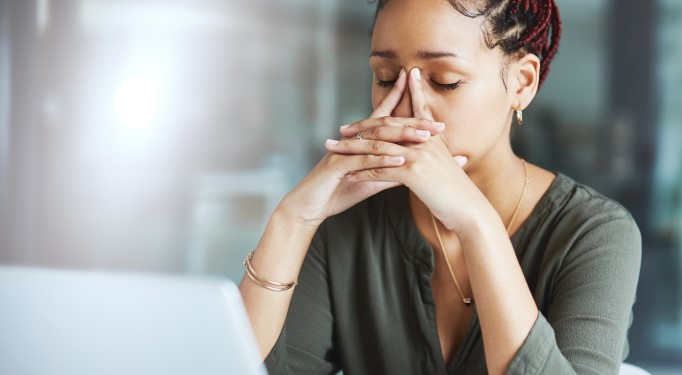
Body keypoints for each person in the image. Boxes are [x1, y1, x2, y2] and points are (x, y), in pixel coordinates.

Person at [237, 0, 642, 374]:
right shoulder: (347, 221)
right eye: (386, 77)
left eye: (445, 81)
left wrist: (476, 223)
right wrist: (292, 220)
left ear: (521, 83)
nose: (410, 106)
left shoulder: (595, 234)